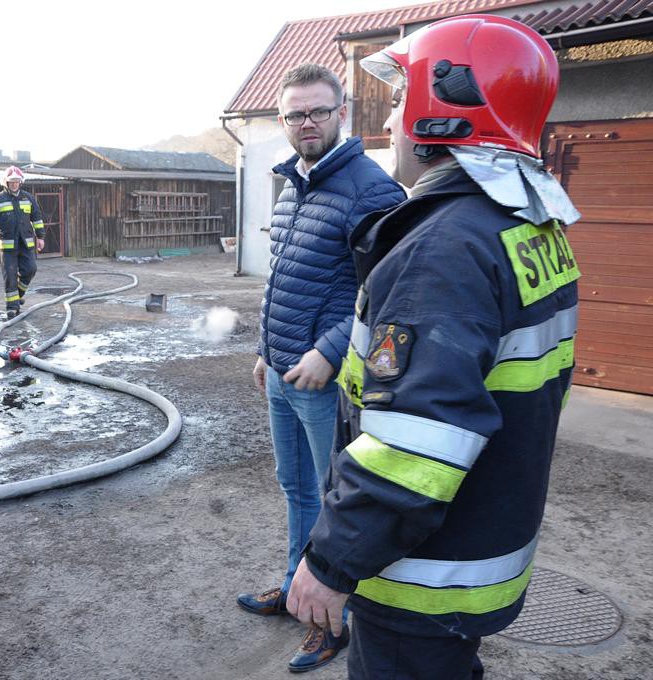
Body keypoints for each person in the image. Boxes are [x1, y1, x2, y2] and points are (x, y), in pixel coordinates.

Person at [285, 15, 580, 679]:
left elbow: (415, 443)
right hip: (481, 540)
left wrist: (330, 564)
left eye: (397, 101)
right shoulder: (527, 224)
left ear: (441, 110)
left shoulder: (443, 250)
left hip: (422, 571)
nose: (388, 123)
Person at [237, 62, 405, 673]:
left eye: (317, 111)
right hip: (283, 369)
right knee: (297, 488)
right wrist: (264, 348)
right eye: (295, 114)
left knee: (338, 503)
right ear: (283, 121)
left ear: (342, 114)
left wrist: (330, 351)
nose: (306, 122)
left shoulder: (372, 191)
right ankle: (295, 590)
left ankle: (335, 620)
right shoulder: (292, 185)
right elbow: (281, 281)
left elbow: (386, 293)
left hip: (325, 379)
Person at [0, 166, 45, 319]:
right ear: (6, 182)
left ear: (21, 182)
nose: (14, 184)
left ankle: (18, 296)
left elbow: (37, 218)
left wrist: (41, 237)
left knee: (30, 269)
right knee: (10, 276)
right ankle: (12, 308)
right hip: (7, 246)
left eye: (17, 181)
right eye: (12, 182)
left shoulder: (28, 198)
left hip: (26, 244)